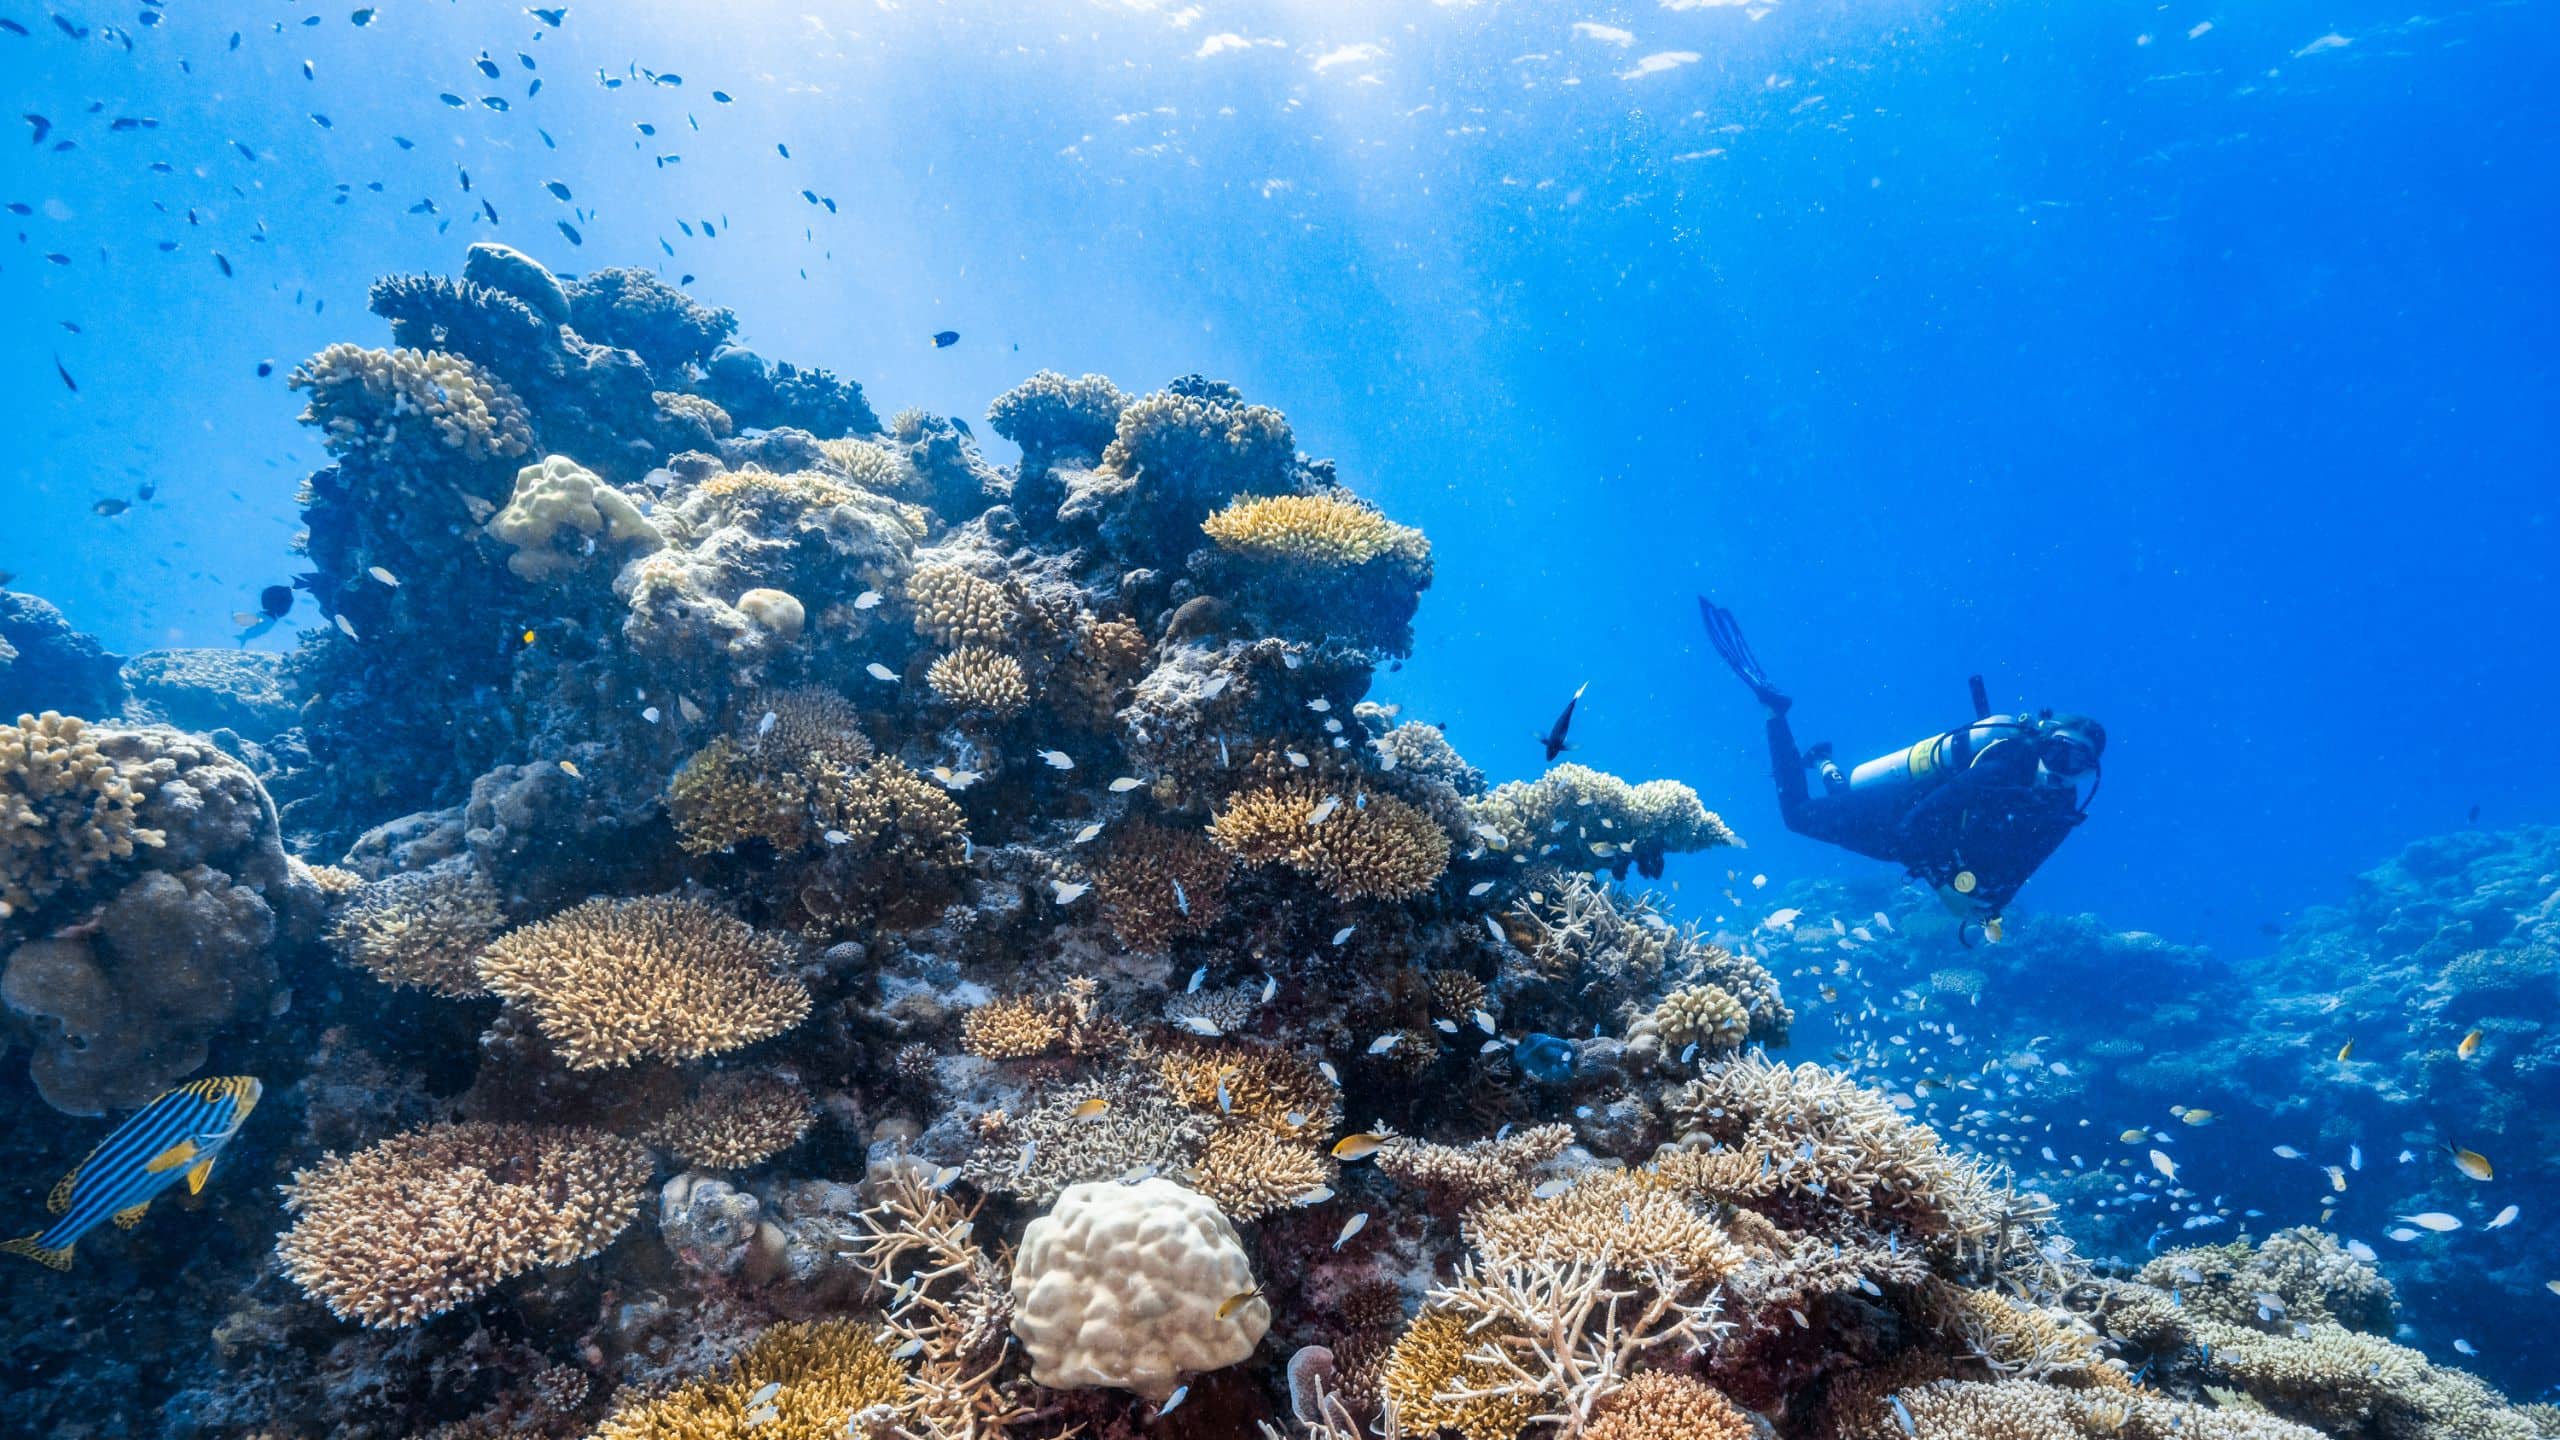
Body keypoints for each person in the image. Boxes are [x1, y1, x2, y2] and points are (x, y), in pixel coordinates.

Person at [1697, 597, 2103, 942]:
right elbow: (1916, 823)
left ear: (2088, 774)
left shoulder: (2064, 809)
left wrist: (1991, 905)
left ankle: (1823, 761)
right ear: (2042, 742)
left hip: (1913, 847)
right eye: (2057, 751)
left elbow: (2026, 865)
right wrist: (1946, 887)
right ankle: (1774, 711)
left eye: (2077, 763)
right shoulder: (2007, 763)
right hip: (1899, 816)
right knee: (1798, 816)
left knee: (1845, 802)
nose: (2061, 769)